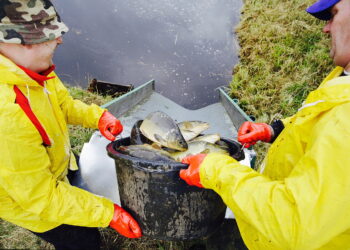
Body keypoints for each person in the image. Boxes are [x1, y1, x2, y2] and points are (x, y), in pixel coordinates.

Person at [180, 0, 350, 249]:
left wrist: (214, 169)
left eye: (333, 15)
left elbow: (294, 226)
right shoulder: (342, 76)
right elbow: (323, 122)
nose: (326, 28)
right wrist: (275, 130)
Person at [0, 0, 141, 249]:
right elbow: (41, 198)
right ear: (15, 43)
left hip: (57, 162)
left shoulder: (34, 70)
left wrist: (96, 117)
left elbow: (62, 103)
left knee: (80, 199)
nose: (59, 40)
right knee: (82, 240)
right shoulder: (7, 118)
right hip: (33, 205)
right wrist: (107, 213)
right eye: (47, 36)